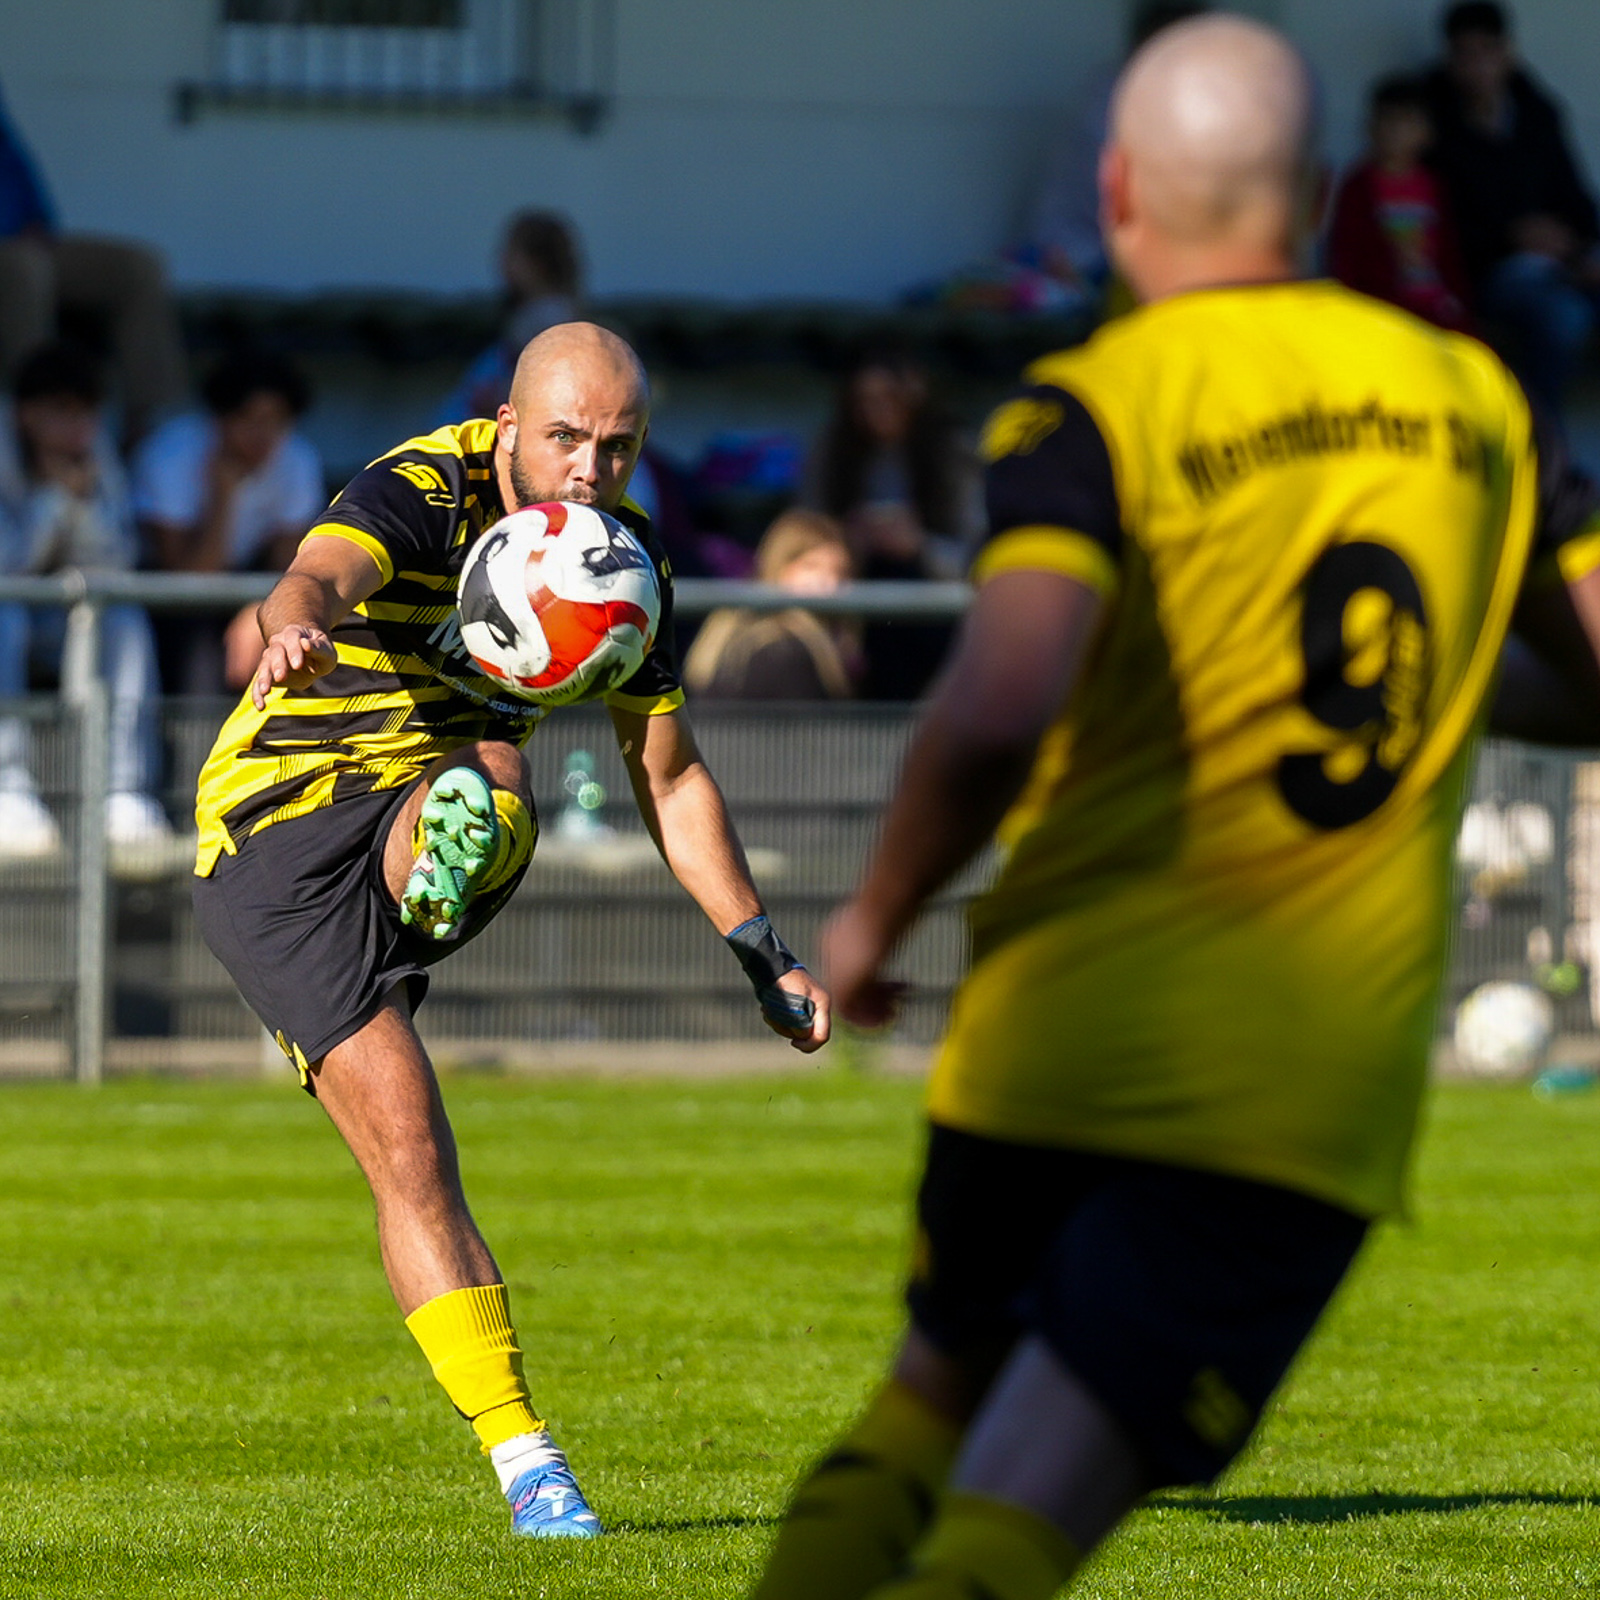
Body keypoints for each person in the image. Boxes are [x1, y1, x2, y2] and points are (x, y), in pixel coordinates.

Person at [749, 17, 1600, 1600]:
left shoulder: (1088, 405)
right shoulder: (1475, 400)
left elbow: (1000, 702)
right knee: (1023, 1519)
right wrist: (1444, 688)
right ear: (1322, 189)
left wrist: (872, 917)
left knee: (927, 1408)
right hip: (1284, 1082)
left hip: (1045, 1032)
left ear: (1123, 189)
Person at [190, 321, 830, 1539]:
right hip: (271, 836)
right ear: (507, 427)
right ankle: (527, 1459)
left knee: (487, 775)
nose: (591, 470)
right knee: (409, 1147)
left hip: (419, 804)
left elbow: (670, 774)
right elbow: (317, 571)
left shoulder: (624, 559)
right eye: (568, 439)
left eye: (619, 447)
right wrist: (290, 618)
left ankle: (440, 856)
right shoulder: (423, 485)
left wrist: (764, 950)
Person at [0, 343, 171, 857]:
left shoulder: (98, 457)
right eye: (62, 412)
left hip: (67, 620)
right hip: (12, 614)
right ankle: (8, 791)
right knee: (3, 616)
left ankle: (124, 792)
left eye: (86, 412)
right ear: (27, 413)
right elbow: (8, 567)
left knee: (124, 617)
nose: (78, 427)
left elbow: (118, 560)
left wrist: (81, 502)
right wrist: (55, 502)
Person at [1422, 2, 1600, 412]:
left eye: (1487, 51)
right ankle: (1542, 447)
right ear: (1451, 60)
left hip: (1564, 262)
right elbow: (1438, 225)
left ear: (1507, 53)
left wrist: (1576, 246)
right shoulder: (1434, 126)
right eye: (1466, 55)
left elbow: (1575, 195)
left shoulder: (1537, 112)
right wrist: (1511, 237)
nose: (1478, 66)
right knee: (1561, 318)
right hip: (1490, 273)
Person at [0, 79, 187, 448]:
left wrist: (38, 220)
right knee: (26, 268)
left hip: (23, 240)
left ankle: (152, 436)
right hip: (15, 255)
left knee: (137, 267)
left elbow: (14, 165)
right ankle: (40, 420)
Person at [133, 352, 323, 694]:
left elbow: (288, 563)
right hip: (167, 599)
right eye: (248, 418)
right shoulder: (171, 453)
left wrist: (258, 609)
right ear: (219, 418)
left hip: (248, 586)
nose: (261, 434)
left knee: (295, 641)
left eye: (276, 420)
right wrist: (223, 498)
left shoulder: (297, 458)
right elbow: (186, 580)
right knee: (200, 661)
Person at [805, 352, 979, 699]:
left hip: (935, 613)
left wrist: (919, 546)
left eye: (889, 398)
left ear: (914, 395)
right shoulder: (834, 454)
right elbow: (800, 534)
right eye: (864, 400)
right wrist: (848, 540)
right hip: (855, 600)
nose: (876, 410)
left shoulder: (952, 456)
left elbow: (976, 559)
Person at [1327, 74, 1473, 330]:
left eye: (1407, 121)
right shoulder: (1358, 187)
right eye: (1387, 120)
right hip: (1381, 307)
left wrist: (1459, 301)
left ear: (1427, 133)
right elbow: (1345, 251)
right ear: (1371, 127)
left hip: (1436, 306)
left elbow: (1451, 252)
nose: (1396, 130)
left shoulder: (1435, 186)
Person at [684, 510, 860, 701]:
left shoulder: (725, 632)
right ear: (779, 565)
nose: (830, 583)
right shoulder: (788, 650)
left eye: (840, 572)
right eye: (811, 566)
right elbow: (810, 729)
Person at [437, 210, 584, 426]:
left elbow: (543, 382)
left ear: (538, 263)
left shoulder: (550, 316)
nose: (501, 261)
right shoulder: (531, 311)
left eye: (511, 254)